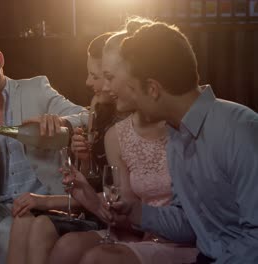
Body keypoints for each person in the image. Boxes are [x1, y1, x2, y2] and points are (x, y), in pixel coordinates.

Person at [96, 21, 258, 264]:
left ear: (152, 89)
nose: (130, 99)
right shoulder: (177, 134)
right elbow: (190, 224)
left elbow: (255, 236)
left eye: (132, 88)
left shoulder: (240, 129)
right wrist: (136, 212)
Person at [49, 18, 198, 264]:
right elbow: (128, 216)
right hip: (144, 235)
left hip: (188, 241)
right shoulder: (116, 135)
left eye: (109, 76)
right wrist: (89, 197)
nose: (105, 87)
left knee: (97, 258)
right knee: (67, 247)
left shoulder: (185, 123)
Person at [0, 25, 86, 264]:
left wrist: (59, 120)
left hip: (43, 202)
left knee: (8, 230)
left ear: (0, 59)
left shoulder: (36, 88)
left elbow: (86, 116)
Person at [6, 32, 120, 264]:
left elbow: (114, 197)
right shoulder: (97, 114)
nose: (88, 82)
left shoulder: (129, 126)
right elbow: (93, 180)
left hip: (107, 218)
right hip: (89, 210)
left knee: (40, 224)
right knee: (24, 220)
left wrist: (45, 201)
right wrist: (85, 160)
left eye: (95, 75)